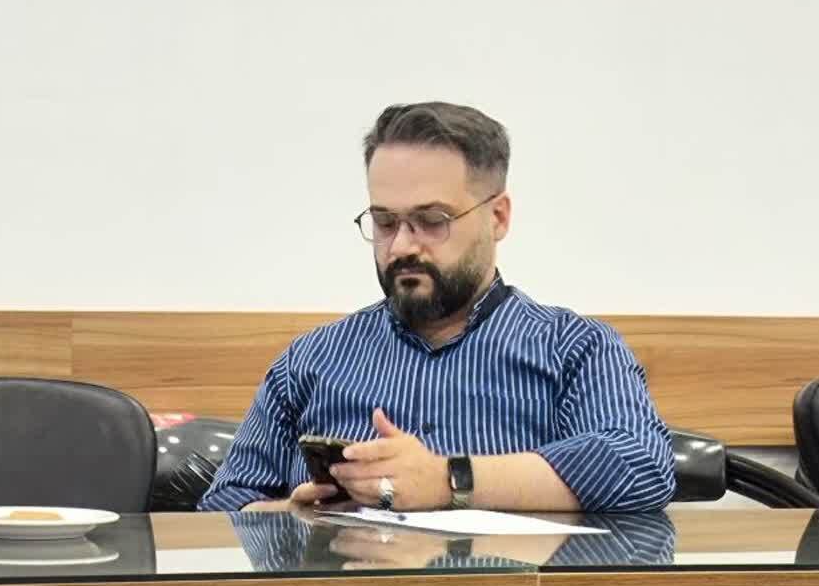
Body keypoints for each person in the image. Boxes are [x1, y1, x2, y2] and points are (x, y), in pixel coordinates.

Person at [198, 102, 675, 515]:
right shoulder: (311, 361)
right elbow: (222, 507)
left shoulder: (574, 349)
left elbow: (641, 466)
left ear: (498, 217)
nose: (402, 246)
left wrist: (449, 481)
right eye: (385, 221)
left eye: (431, 220)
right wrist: (292, 519)